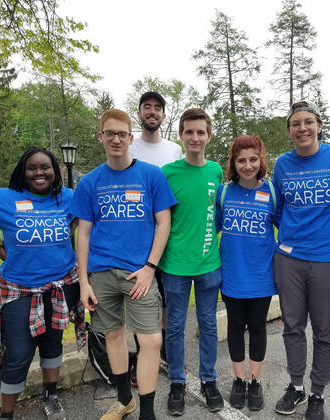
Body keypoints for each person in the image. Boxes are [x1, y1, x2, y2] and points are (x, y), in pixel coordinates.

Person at [0, 147, 83, 420]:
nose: (39, 173)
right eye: (32, 168)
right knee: (18, 352)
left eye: (45, 167)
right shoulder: (3, 198)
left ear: (55, 171)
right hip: (20, 290)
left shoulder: (67, 197)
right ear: (22, 171)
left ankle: (52, 395)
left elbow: (84, 217)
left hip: (61, 287)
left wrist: (68, 232)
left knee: (53, 344)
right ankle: (7, 413)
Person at [70, 109, 176, 420]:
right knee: (113, 335)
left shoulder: (150, 176)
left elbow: (164, 224)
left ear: (131, 138)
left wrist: (150, 267)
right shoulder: (90, 182)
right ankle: (124, 399)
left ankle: (147, 412)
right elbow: (84, 234)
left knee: (151, 340)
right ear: (100, 137)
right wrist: (84, 281)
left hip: (138, 273)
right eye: (110, 133)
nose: (116, 139)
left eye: (122, 134)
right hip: (101, 273)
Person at [272, 101, 330, 420]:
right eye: (295, 124)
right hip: (289, 258)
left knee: (325, 330)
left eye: (308, 122)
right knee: (292, 326)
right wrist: (291, 235)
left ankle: (317, 392)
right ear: (289, 130)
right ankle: (296, 387)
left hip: (329, 260)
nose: (302, 128)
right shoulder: (282, 164)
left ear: (319, 126)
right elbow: (278, 208)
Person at [158, 108, 224, 416]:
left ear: (209, 136)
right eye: (189, 132)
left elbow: (216, 215)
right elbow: (160, 219)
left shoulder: (216, 171)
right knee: (175, 326)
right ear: (181, 135)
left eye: (201, 132)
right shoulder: (167, 173)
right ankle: (177, 383)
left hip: (209, 263)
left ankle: (209, 380)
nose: (195, 137)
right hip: (174, 265)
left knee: (208, 324)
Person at [215, 135, 278, 411]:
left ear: (260, 160)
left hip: (262, 277)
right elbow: (210, 228)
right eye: (241, 160)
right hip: (231, 276)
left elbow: (288, 227)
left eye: (253, 159)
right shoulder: (224, 193)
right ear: (234, 163)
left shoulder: (272, 192)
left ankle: (255, 381)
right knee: (235, 328)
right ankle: (239, 380)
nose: (247, 165)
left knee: (258, 328)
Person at [129, 91, 183, 367]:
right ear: (139, 114)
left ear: (163, 115)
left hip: (167, 236)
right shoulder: (129, 146)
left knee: (165, 297)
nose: (152, 112)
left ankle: (162, 351)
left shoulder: (174, 150)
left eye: (157, 108)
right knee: (137, 295)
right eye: (146, 107)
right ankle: (139, 355)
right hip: (135, 237)